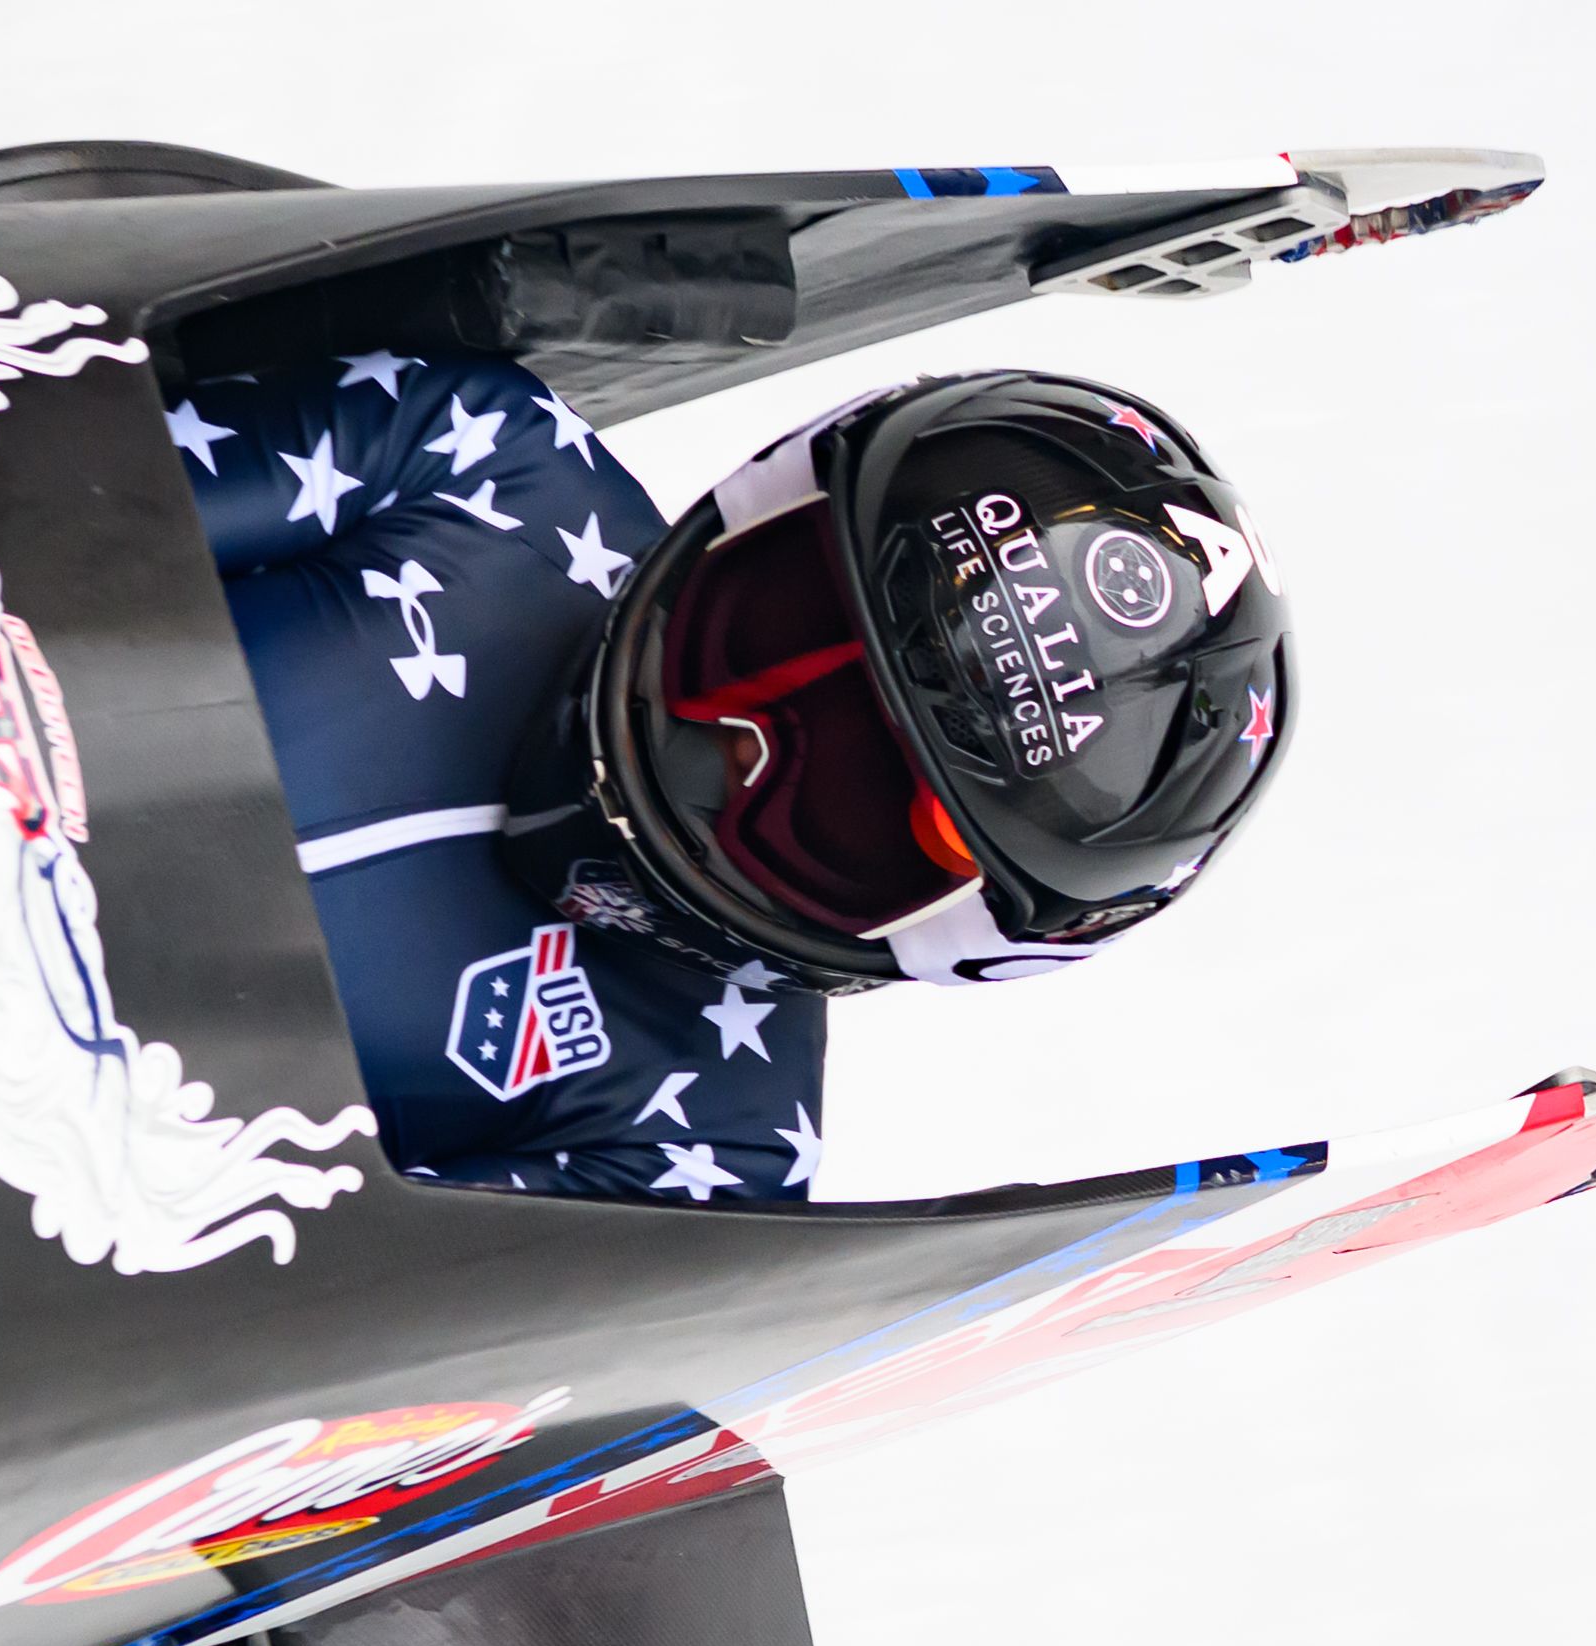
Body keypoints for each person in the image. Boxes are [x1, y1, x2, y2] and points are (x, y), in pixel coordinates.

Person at [168, 353, 1298, 1204]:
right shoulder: (479, 458)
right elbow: (74, 510)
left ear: (944, 927)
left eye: (855, 805)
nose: (711, 750)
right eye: (781, 621)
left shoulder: (701, 1150)